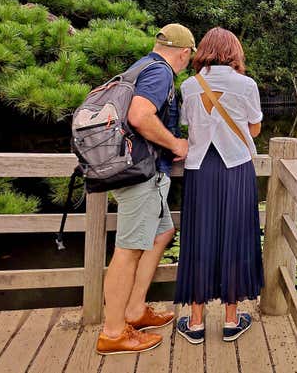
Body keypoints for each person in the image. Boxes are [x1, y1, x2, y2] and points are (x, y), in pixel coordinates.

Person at [96, 23, 196, 355]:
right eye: (189, 57)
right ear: (184, 53)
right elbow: (139, 116)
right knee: (127, 250)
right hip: (139, 175)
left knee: (161, 234)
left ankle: (136, 310)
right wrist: (176, 143)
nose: (188, 63)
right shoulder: (161, 73)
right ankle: (112, 332)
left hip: (139, 173)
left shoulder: (141, 65)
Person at [173, 27, 264, 344]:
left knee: (198, 239)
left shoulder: (188, 85)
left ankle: (195, 323)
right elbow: (254, 129)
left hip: (199, 170)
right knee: (235, 238)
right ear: (234, 52)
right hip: (236, 169)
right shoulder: (247, 85)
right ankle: (230, 320)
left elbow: (187, 125)